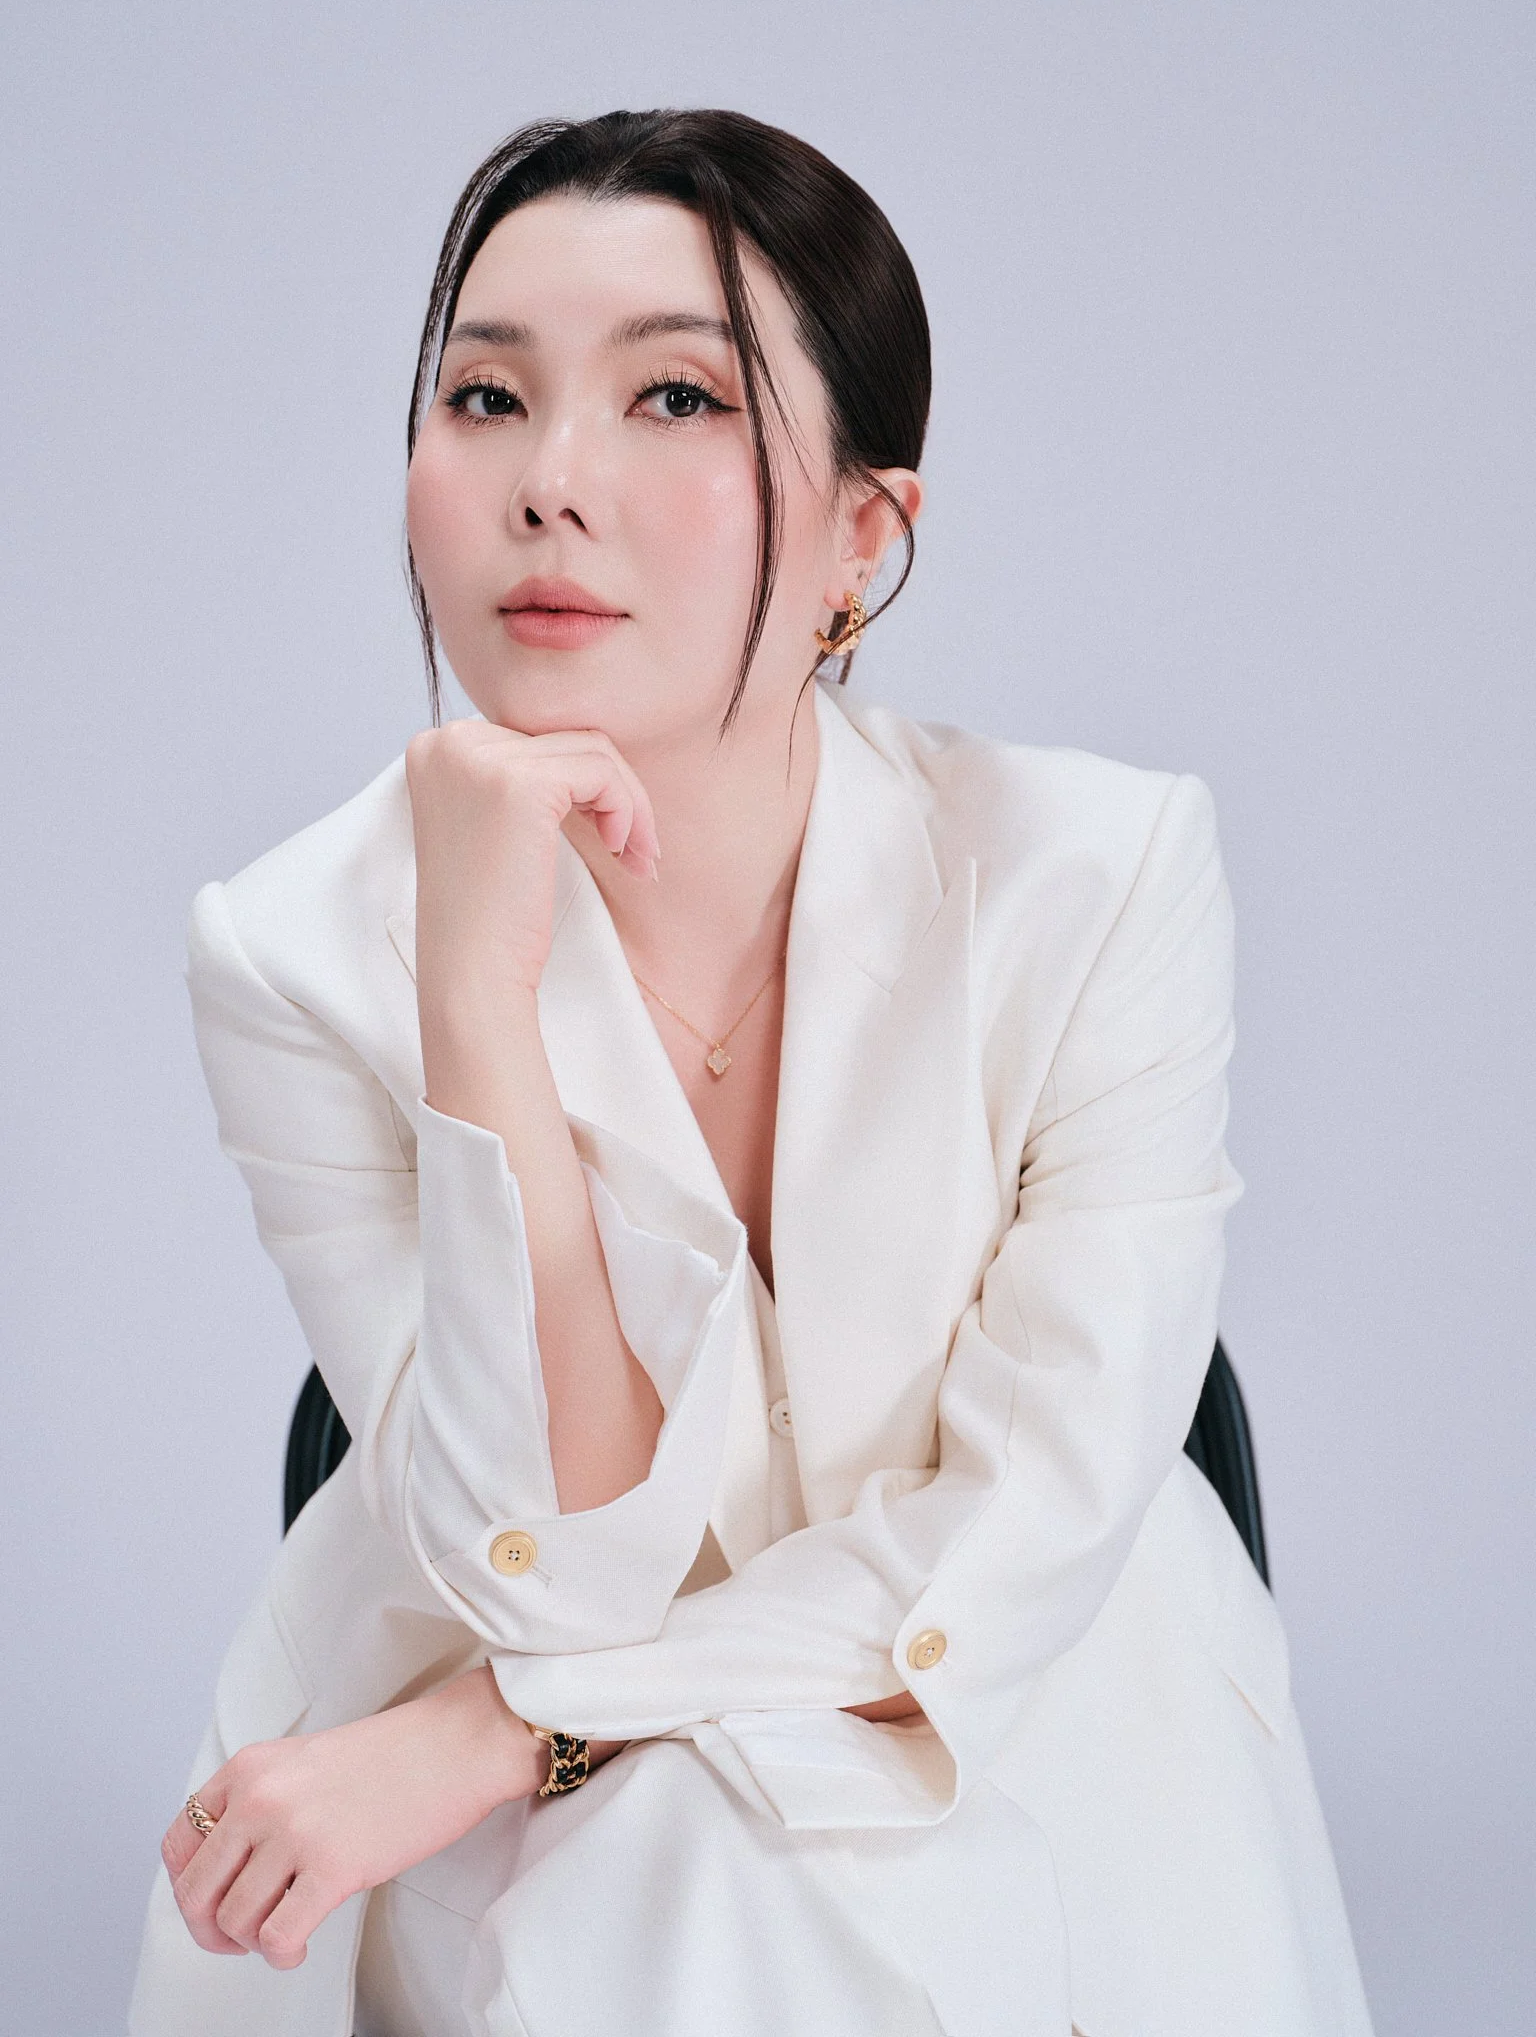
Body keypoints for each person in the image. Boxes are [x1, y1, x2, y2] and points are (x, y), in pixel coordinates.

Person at [129, 109, 1373, 2037]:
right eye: (485, 396)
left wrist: (496, 1736)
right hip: (507, 1700)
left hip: (1024, 1690)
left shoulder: (1099, 876)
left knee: (761, 1876)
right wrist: (475, 996)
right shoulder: (295, 949)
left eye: (677, 399)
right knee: (679, 1872)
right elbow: (549, 1577)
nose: (551, 484)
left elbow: (1008, 1547)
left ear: (865, 537)